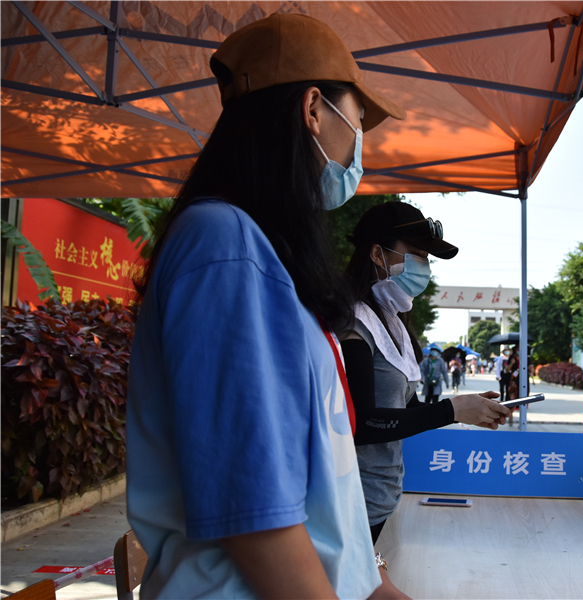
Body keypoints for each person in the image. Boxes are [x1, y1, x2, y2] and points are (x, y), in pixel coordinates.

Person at [125, 14, 409, 600]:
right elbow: (254, 517)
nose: (361, 146)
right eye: (359, 121)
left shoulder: (260, 252)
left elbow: (319, 492)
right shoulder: (224, 246)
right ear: (314, 110)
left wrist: (373, 585)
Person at [338, 201, 509, 546]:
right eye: (416, 255)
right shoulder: (353, 325)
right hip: (348, 504)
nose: (424, 267)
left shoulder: (393, 324)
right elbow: (363, 424)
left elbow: (407, 409)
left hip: (381, 498)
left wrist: (467, 408)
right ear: (377, 254)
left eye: (426, 258)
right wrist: (451, 410)